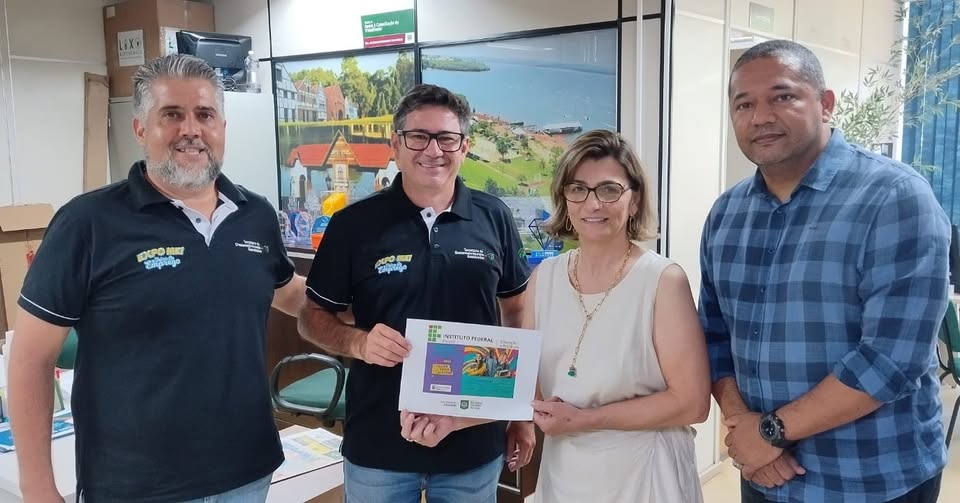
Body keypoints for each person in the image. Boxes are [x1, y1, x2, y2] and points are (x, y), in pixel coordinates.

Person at [8, 54, 306, 503]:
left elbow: (288, 292)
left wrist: (367, 307)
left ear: (222, 127)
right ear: (140, 129)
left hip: (246, 473)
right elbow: (31, 360)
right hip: (137, 486)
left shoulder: (255, 215)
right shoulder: (88, 223)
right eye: (171, 114)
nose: (191, 129)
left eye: (204, 114)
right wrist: (37, 488)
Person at [700, 40, 950, 503]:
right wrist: (746, 429)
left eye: (782, 96)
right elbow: (715, 337)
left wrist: (770, 431)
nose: (760, 117)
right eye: (744, 104)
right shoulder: (726, 214)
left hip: (872, 480)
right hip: (765, 477)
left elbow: (891, 360)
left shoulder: (894, 198)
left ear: (826, 103)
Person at [298, 84, 535, 503]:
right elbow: (311, 317)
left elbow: (517, 314)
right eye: (418, 137)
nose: (433, 150)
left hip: (472, 445)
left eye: (447, 138)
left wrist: (521, 412)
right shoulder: (354, 225)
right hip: (378, 445)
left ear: (464, 147)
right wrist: (358, 342)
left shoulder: (494, 217)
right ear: (396, 144)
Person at [528, 129, 710, 502]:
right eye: (578, 189)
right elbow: (523, 388)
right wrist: (450, 415)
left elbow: (692, 403)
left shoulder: (663, 280)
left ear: (634, 199)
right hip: (564, 475)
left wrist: (585, 420)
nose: (593, 204)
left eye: (609, 190)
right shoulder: (543, 278)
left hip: (646, 477)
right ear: (564, 197)